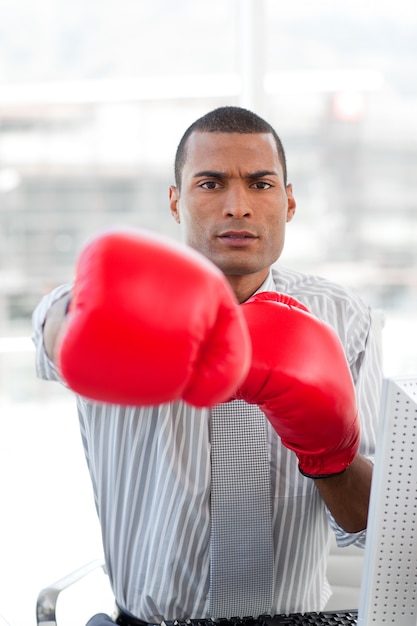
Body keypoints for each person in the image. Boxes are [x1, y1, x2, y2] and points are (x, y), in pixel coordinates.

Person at [32, 106, 382, 623]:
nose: (238, 206)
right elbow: (56, 333)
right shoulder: (102, 299)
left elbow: (367, 520)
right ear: (176, 202)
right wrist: (94, 323)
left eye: (261, 184)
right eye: (211, 183)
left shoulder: (340, 316)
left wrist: (330, 452)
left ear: (288, 201)